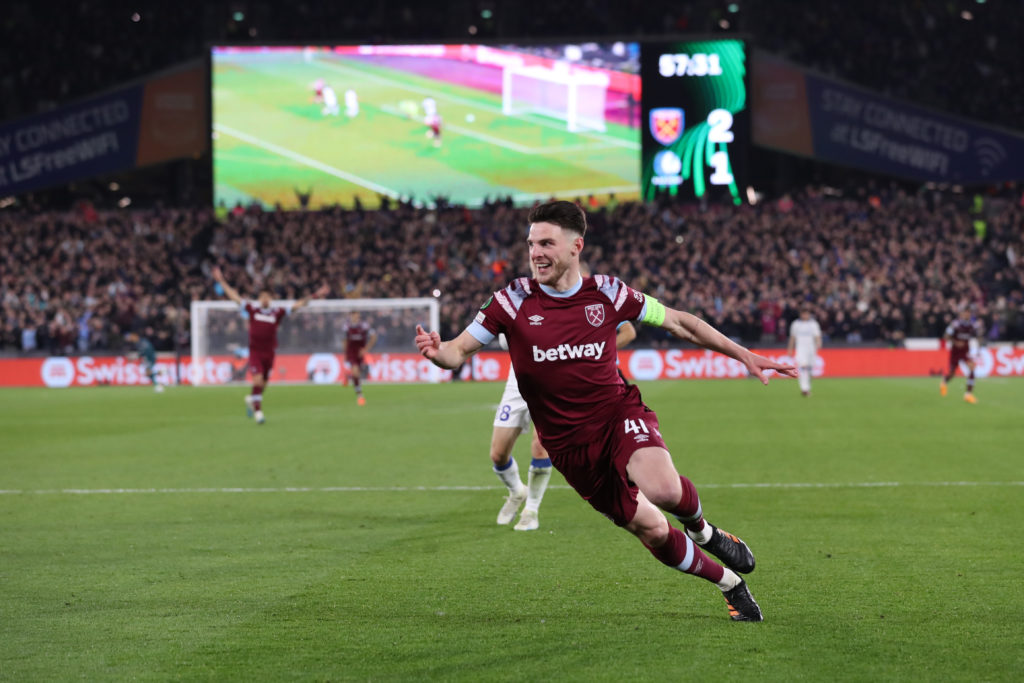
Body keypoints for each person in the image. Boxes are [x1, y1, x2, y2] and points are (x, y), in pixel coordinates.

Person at [415, 200, 796, 621]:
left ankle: (704, 529)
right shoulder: (511, 301)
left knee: (664, 490)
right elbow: (457, 351)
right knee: (650, 529)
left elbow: (679, 323)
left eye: (546, 243)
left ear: (576, 246)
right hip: (570, 448)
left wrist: (745, 355)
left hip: (617, 415)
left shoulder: (609, 293)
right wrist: (438, 353)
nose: (536, 253)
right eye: (531, 244)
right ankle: (730, 584)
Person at [492, 320, 636, 532]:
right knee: (498, 454)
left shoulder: (582, 296)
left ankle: (531, 511)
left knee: (541, 445)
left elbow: (628, 332)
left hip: (555, 377)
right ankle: (516, 491)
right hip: (519, 377)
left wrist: (593, 351)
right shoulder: (518, 298)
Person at [212, 267, 328, 424]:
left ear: (271, 298)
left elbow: (297, 305)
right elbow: (235, 297)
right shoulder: (252, 309)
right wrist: (221, 281)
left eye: (267, 296)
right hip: (255, 353)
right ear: (259, 298)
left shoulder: (277, 312)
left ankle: (252, 399)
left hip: (269, 353)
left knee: (263, 384)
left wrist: (316, 295)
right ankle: (258, 412)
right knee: (258, 381)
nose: (265, 299)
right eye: (262, 296)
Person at [941, 307, 983, 403]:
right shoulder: (955, 325)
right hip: (955, 353)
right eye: (965, 313)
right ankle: (944, 381)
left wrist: (979, 346)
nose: (967, 315)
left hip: (965, 352)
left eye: (969, 313)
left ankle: (968, 394)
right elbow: (945, 337)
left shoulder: (972, 325)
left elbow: (978, 336)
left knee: (972, 368)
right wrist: (955, 342)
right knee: (952, 374)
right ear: (961, 314)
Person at [343, 311, 377, 406]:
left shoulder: (364, 326)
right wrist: (345, 353)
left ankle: (348, 376)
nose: (355, 318)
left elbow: (374, 337)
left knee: (358, 373)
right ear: (351, 317)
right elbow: (345, 340)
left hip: (360, 353)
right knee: (355, 371)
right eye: (353, 316)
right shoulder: (347, 327)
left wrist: (366, 349)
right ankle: (360, 395)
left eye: (357, 316)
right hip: (351, 352)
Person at [787, 305, 822, 397]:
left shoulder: (813, 324)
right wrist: (790, 349)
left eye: (806, 313)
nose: (805, 315)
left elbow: (817, 336)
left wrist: (818, 343)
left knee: (810, 370)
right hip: (800, 349)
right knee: (803, 368)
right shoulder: (796, 324)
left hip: (811, 350)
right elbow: (792, 338)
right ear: (801, 314)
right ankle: (804, 389)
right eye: (803, 313)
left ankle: (808, 387)